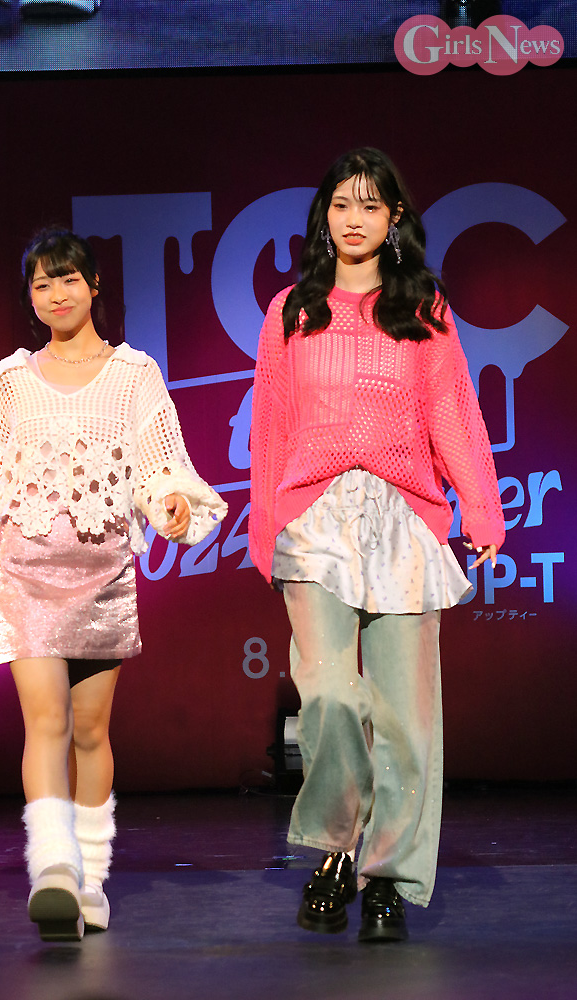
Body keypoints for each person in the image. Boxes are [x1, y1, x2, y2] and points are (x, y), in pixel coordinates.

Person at [249, 148, 504, 942]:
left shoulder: (421, 307)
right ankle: (335, 849)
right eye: (340, 204)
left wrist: (480, 509)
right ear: (322, 216)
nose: (353, 219)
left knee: (405, 722)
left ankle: (386, 876)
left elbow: (451, 411)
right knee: (327, 696)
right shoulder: (291, 311)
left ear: (394, 218)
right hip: (312, 518)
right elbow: (270, 425)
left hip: (403, 520)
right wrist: (263, 524)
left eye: (369, 205)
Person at [0, 228, 227, 942]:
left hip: (102, 571)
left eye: (67, 278)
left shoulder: (134, 375)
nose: (56, 294)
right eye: (41, 284)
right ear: (30, 298)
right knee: (44, 721)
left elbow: (161, 467)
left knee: (91, 729)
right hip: (26, 568)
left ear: (94, 285)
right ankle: (54, 871)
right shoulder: (11, 381)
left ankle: (90, 878)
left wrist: (170, 503)